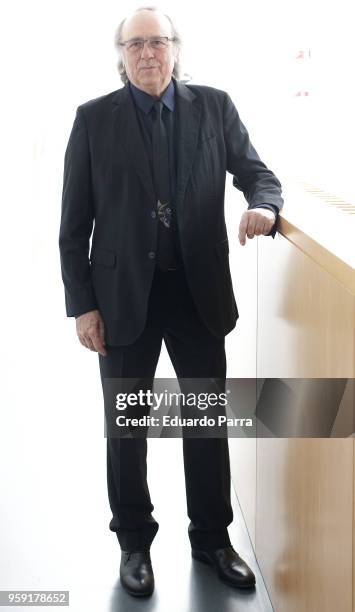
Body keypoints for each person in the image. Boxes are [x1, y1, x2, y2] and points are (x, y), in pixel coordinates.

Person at [59, 5, 284, 598]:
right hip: (122, 298)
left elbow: (258, 174)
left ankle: (212, 538)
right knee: (127, 424)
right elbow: (73, 223)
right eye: (134, 45)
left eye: (157, 41)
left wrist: (264, 208)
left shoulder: (214, 106)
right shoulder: (92, 119)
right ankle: (133, 543)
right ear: (120, 56)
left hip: (196, 292)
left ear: (176, 49)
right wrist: (83, 304)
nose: (147, 54)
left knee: (206, 419)